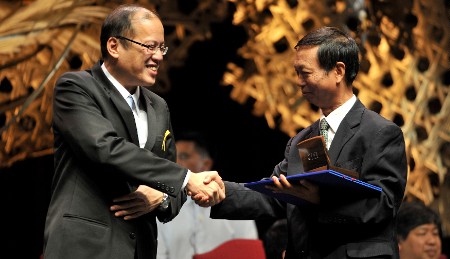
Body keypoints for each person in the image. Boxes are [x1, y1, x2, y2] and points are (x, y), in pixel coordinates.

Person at [197, 26, 408, 258]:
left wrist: (321, 199)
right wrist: (220, 191)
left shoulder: (380, 132)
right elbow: (274, 192)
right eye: (297, 73)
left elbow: (384, 205)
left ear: (338, 71)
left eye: (305, 73)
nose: (299, 81)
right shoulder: (304, 140)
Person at [43, 4, 224, 259]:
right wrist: (186, 178)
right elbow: (105, 148)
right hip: (85, 246)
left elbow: (170, 186)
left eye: (162, 47)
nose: (159, 56)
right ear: (113, 46)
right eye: (150, 46)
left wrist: (161, 196)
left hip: (141, 249)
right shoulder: (76, 87)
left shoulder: (159, 107)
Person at [156, 132, 259, 259]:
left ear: (206, 164)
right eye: (173, 157)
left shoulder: (235, 204)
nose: (176, 163)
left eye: (184, 156)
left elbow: (249, 252)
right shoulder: (163, 207)